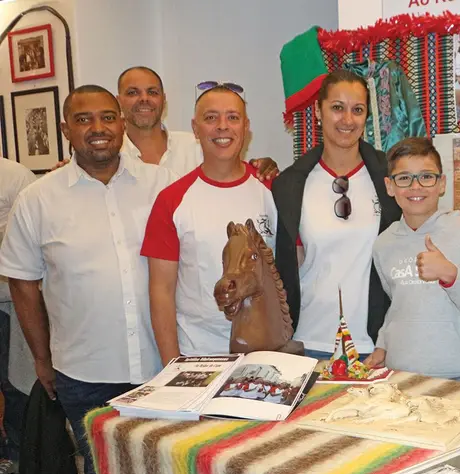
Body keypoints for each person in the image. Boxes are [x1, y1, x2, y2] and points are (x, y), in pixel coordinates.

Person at [0, 85, 175, 474]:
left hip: (163, 365)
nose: (98, 128)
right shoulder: (37, 199)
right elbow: (23, 282)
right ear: (65, 129)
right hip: (85, 374)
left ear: (122, 123)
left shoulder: (162, 184)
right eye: (83, 119)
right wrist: (42, 358)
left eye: (107, 117)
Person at [142, 84, 277, 364]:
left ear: (246, 127)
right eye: (211, 118)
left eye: (232, 117)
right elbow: (161, 292)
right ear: (195, 128)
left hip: (267, 354)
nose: (222, 127)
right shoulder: (171, 200)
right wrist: (171, 365)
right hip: (199, 355)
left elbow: (291, 268)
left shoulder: (272, 189)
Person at [272, 70, 402, 361]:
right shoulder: (289, 184)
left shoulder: (391, 177)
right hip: (308, 342)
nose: (347, 120)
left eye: (357, 110)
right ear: (318, 111)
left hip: (376, 345)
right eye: (337, 108)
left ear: (366, 116)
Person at [364, 138, 460, 383]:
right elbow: (398, 306)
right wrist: (383, 345)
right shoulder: (383, 244)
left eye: (426, 176)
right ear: (389, 186)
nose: (416, 187)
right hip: (399, 375)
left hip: (459, 375)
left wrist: (451, 275)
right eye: (404, 178)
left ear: (442, 183)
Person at [54, 67, 279, 179]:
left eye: (152, 92)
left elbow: (234, 175)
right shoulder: (105, 158)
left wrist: (262, 167)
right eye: (133, 92)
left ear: (163, 99)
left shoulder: (197, 145)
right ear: (118, 100)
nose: (144, 99)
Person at [0, 158, 35, 474]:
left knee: (12, 383)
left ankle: (19, 455)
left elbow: (20, 247)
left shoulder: (15, 177)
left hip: (6, 300)